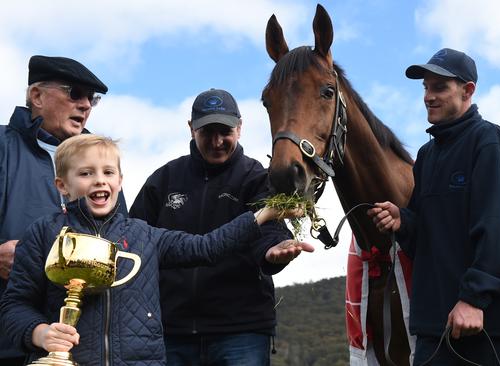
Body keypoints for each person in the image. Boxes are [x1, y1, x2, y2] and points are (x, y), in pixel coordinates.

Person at [0, 134, 312, 365]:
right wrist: (38, 332)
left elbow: (207, 247)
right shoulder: (42, 234)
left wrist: (264, 215)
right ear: (62, 185)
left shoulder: (145, 235)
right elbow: (14, 305)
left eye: (108, 173)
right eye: (86, 173)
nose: (100, 181)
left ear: (120, 181)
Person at [367, 48, 500, 365]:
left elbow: (498, 231)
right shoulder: (427, 156)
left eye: (439, 87)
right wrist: (404, 221)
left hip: (484, 330)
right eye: (425, 87)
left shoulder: (489, 142)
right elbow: (424, 242)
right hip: (432, 331)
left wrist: (473, 300)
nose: (428, 96)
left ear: (468, 90)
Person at [129, 88, 307, 366]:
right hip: (171, 331)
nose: (217, 141)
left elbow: (269, 228)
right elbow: (134, 239)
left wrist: (273, 250)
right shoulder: (163, 180)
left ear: (239, 127)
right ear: (191, 129)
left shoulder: (256, 177)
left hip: (240, 331)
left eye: (224, 131)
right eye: (206, 132)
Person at [0, 55, 127, 366]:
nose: (85, 105)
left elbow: (124, 240)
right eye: (74, 93)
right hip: (10, 342)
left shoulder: (101, 165)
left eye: (91, 98)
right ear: (37, 96)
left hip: (87, 346)